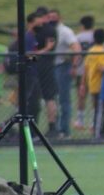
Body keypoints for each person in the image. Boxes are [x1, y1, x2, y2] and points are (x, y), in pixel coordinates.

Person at [49, 9, 81, 138]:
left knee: (64, 99)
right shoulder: (48, 31)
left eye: (54, 17)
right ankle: (54, 128)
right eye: (49, 17)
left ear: (60, 18)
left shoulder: (65, 32)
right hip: (50, 67)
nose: (51, 20)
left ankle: (64, 130)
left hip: (62, 66)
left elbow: (76, 48)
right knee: (52, 99)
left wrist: (74, 65)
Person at [32, 7, 58, 137]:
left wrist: (33, 55)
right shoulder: (36, 30)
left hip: (46, 65)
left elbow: (49, 48)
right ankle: (32, 127)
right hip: (36, 64)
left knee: (49, 96)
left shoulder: (49, 29)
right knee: (33, 95)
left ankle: (52, 127)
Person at [84, 28, 104, 139]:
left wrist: (83, 84)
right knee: (101, 109)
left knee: (100, 108)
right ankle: (98, 133)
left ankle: (100, 131)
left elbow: (86, 67)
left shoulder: (91, 51)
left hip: (92, 83)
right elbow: (102, 67)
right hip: (101, 85)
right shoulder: (102, 51)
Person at [73, 15, 95, 130]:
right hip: (94, 71)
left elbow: (76, 53)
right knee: (94, 97)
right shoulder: (96, 36)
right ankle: (93, 122)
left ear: (82, 25)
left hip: (81, 70)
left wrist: (74, 66)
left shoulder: (78, 37)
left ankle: (80, 121)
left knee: (81, 95)